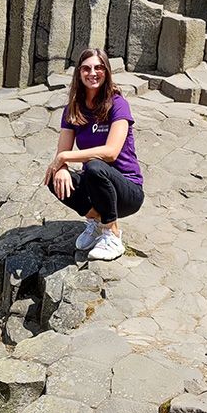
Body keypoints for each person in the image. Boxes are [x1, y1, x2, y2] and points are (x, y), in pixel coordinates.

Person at [43, 48, 144, 261]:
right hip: (96, 187)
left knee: (94, 166)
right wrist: (60, 166)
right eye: (86, 68)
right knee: (54, 178)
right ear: (79, 74)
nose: (93, 73)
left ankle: (112, 234)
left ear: (106, 72)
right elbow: (63, 151)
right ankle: (97, 223)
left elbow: (110, 152)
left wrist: (63, 159)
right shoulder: (73, 109)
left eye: (99, 67)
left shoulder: (118, 104)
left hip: (127, 190)